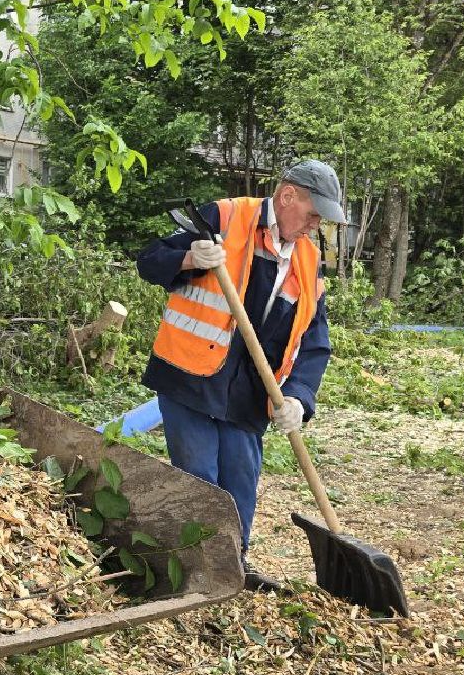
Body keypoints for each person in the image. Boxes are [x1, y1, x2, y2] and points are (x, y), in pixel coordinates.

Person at [135, 160, 347, 590]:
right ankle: (196, 570)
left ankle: (233, 564)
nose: (315, 224)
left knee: (240, 478)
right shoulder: (225, 217)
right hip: (191, 375)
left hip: (251, 392)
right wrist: (190, 256)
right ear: (288, 196)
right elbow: (150, 260)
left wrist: (298, 398)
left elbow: (314, 341)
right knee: (199, 474)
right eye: (313, 213)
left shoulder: (307, 259)